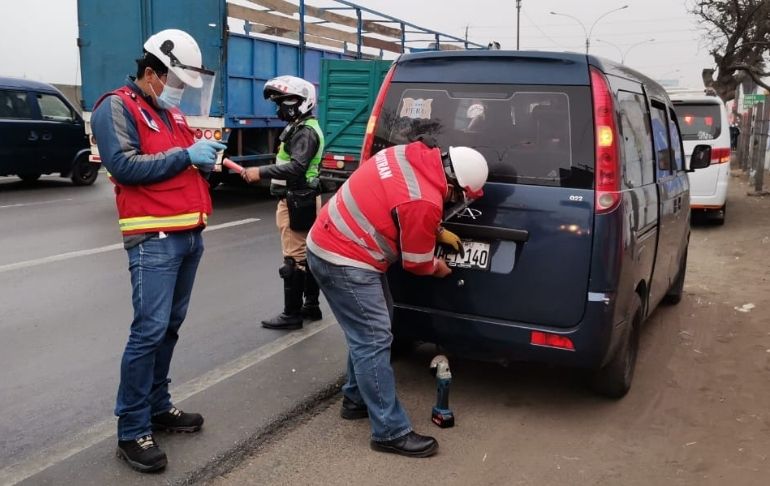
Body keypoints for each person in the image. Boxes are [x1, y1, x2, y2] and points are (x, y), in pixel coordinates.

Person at [91, 29, 226, 473]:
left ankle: (157, 404)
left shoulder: (169, 117)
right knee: (148, 332)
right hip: (153, 239)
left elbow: (183, 165)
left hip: (188, 234)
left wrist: (212, 164)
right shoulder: (117, 106)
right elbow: (124, 166)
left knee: (168, 327)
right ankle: (132, 429)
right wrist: (189, 156)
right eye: (176, 83)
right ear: (151, 73)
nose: (181, 93)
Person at [306, 138, 488, 458]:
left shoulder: (407, 154)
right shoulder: (425, 203)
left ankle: (355, 399)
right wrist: (437, 266)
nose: (456, 200)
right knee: (374, 337)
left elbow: (394, 201)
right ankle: (390, 431)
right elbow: (417, 263)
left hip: (334, 240)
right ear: (455, 186)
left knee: (372, 329)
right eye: (460, 196)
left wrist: (433, 229)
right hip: (344, 258)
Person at [241, 76, 325, 331]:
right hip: (304, 197)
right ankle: (311, 306)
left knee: (294, 260)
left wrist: (261, 172)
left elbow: (297, 166)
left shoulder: (305, 131)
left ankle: (292, 314)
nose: (279, 109)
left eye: (283, 103)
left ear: (300, 103)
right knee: (307, 256)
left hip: (296, 199)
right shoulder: (302, 127)